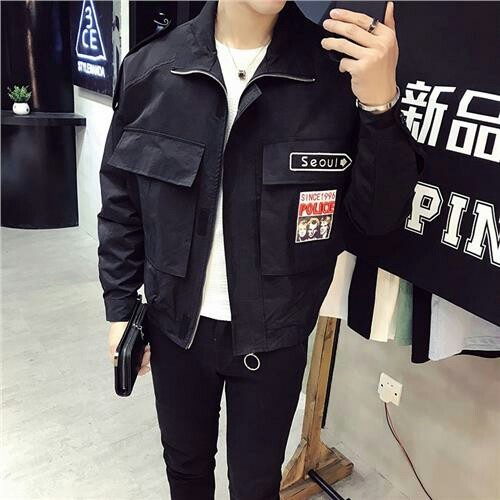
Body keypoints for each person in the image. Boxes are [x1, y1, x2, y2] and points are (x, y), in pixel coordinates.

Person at [97, 1, 422, 499]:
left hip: (275, 337)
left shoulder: (335, 76)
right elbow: (122, 201)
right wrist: (120, 307)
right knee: (185, 472)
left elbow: (376, 221)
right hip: (175, 330)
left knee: (255, 485)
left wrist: (380, 108)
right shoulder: (151, 70)